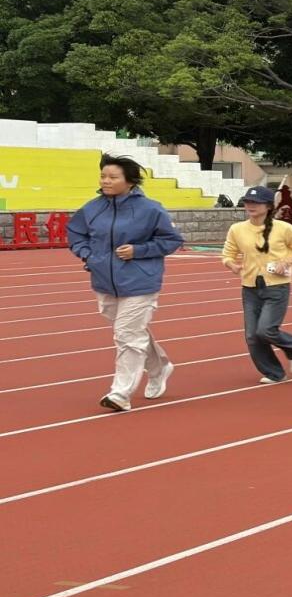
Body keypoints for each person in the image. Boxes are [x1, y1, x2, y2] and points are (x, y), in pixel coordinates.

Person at [68, 154, 184, 412]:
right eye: (103, 176)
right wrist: (88, 255)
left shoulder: (150, 209)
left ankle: (120, 393)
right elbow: (76, 233)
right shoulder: (92, 208)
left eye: (113, 177)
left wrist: (138, 251)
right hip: (104, 281)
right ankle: (159, 367)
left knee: (127, 334)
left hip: (140, 280)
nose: (105, 181)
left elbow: (171, 240)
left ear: (130, 181)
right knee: (131, 332)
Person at [222, 186, 292, 384]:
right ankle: (274, 373)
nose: (250, 206)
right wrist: (232, 265)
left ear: (269, 206)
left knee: (266, 330)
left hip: (277, 286)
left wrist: (287, 261)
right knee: (252, 336)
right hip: (250, 287)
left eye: (256, 202)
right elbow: (227, 254)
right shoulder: (237, 229)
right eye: (248, 202)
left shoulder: (284, 228)